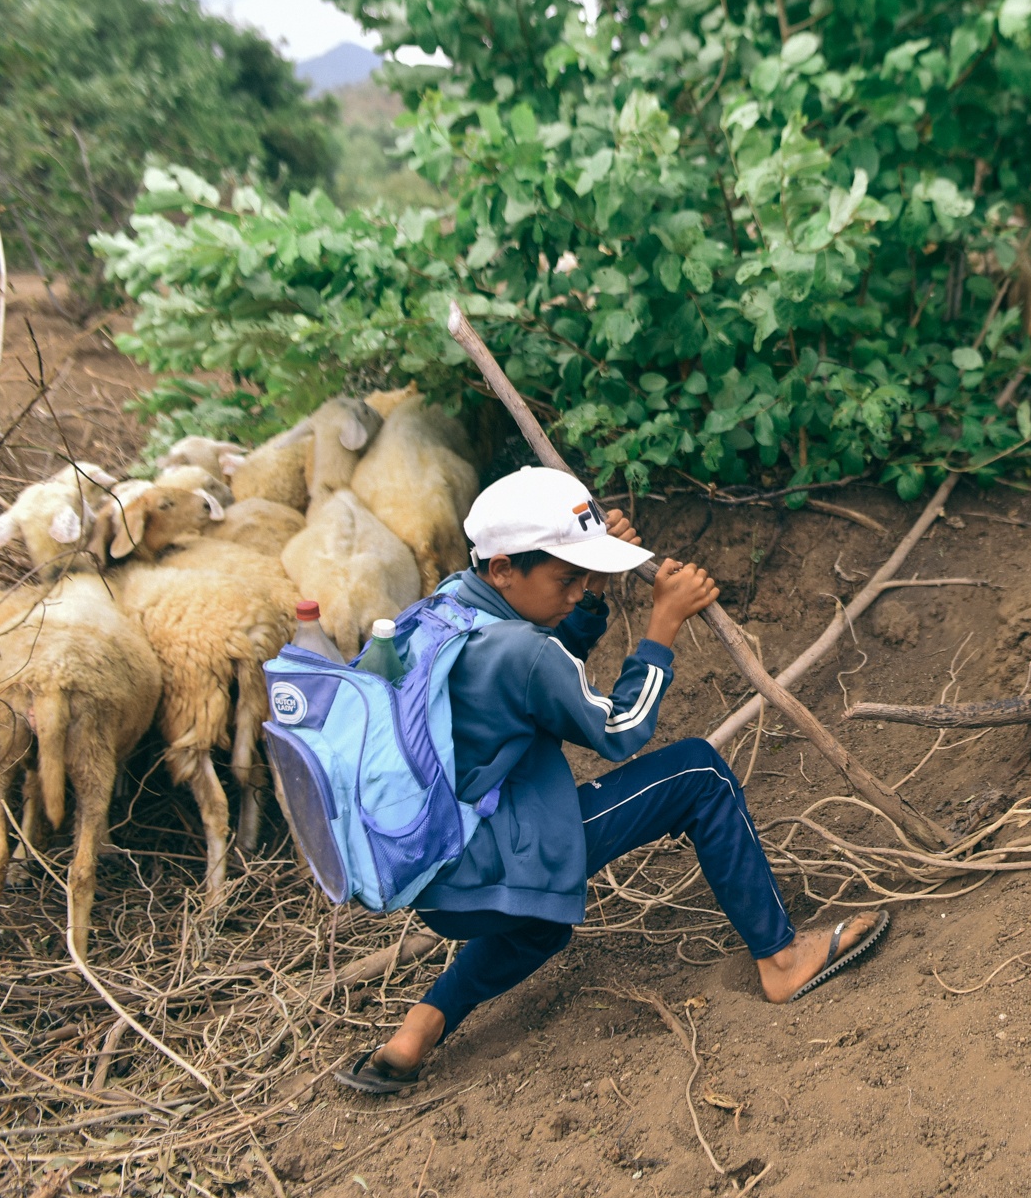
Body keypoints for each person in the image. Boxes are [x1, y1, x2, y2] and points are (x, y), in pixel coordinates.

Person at [336, 467, 888, 1093]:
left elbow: (540, 657)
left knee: (539, 926)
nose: (574, 594)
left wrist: (590, 577)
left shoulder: (444, 611)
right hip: (494, 862)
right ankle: (783, 961)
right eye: (566, 578)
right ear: (503, 569)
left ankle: (420, 1027)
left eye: (581, 579)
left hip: (437, 875)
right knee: (699, 772)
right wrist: (664, 625)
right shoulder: (521, 651)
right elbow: (620, 728)